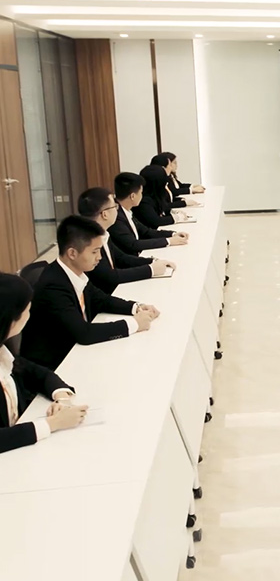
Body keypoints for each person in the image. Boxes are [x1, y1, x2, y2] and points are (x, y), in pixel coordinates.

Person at [20, 216, 160, 370]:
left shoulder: (74, 271)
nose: (99, 257)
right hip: (56, 364)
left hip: (76, 351)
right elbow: (84, 333)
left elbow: (101, 299)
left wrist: (136, 307)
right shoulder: (52, 286)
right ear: (72, 253)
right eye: (94, 252)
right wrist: (134, 324)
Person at [0, 274, 89, 454]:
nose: (30, 314)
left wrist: (62, 398)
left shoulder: (4, 351)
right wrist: (52, 423)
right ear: (10, 319)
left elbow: (36, 373)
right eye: (27, 310)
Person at [77, 187, 176, 295]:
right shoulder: (88, 242)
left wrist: (152, 261)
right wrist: (150, 270)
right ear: (105, 214)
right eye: (115, 206)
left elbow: (121, 258)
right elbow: (110, 276)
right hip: (106, 295)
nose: (117, 209)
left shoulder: (103, 233)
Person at [110, 172, 189, 256]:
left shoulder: (126, 211)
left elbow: (146, 232)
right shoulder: (115, 216)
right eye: (141, 192)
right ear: (132, 196)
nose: (142, 196)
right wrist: (168, 241)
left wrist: (172, 234)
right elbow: (133, 244)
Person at [135, 164, 191, 229]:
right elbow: (156, 221)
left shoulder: (154, 195)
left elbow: (163, 206)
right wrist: (177, 217)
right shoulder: (144, 201)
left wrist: (173, 212)